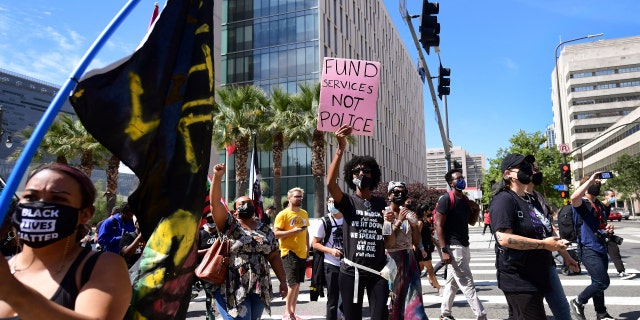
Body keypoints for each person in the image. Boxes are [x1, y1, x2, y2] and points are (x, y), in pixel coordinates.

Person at [0, 163, 131, 319]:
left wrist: (15, 293)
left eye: (58, 198)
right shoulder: (6, 266)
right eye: (30, 197)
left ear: (86, 214)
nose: (40, 205)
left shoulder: (102, 267)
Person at [490, 154, 567, 320]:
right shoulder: (504, 199)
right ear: (507, 174)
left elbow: (544, 230)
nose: (528, 169)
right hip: (519, 277)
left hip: (539, 270)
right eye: (522, 167)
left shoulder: (530, 199)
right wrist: (543, 245)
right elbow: (503, 238)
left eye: (528, 166)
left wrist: (561, 249)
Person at [209, 163, 288, 320]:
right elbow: (215, 204)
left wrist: (283, 281)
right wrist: (218, 178)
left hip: (259, 286)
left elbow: (274, 256)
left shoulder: (265, 229)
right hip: (232, 285)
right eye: (241, 204)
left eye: (249, 203)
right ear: (235, 209)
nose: (246, 206)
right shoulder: (228, 224)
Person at [326, 125, 389, 320]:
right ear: (351, 177)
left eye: (366, 171)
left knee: (380, 316)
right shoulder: (347, 202)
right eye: (356, 172)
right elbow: (330, 184)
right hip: (351, 272)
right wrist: (340, 150)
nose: (361, 174)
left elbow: (387, 239)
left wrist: (391, 223)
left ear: (374, 175)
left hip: (377, 272)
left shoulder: (380, 202)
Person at [524, 154, 578, 320]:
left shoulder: (539, 198)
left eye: (537, 168)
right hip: (524, 268)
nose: (537, 171)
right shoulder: (511, 199)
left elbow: (550, 231)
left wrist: (566, 257)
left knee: (562, 310)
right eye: (533, 168)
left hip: (547, 264)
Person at [436, 168, 487, 320]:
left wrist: (476, 209)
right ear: (451, 183)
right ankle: (481, 315)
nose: (461, 180)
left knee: (452, 284)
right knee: (467, 283)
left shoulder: (464, 199)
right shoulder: (446, 199)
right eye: (458, 178)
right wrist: (444, 249)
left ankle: (445, 314)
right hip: (453, 247)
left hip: (464, 246)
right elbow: (438, 225)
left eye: (462, 177)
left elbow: (471, 222)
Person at [570, 173, 619, 320]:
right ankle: (578, 301)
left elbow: (600, 225)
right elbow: (573, 198)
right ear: (585, 187)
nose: (596, 184)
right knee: (602, 281)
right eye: (594, 182)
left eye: (598, 182)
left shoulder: (599, 205)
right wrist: (589, 179)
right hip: (587, 247)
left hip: (600, 246)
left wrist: (608, 227)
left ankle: (601, 313)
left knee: (596, 281)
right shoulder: (582, 203)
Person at [382, 182, 428, 320]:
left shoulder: (408, 213)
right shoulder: (385, 214)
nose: (400, 195)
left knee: (415, 303)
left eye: (403, 192)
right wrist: (399, 221)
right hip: (393, 262)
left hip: (410, 260)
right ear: (390, 195)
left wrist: (414, 226)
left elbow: (416, 241)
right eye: (396, 192)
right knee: (394, 304)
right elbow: (388, 243)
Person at [274, 187, 309, 320]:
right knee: (292, 284)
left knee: (298, 284)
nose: (299, 199)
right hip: (289, 252)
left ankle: (292, 313)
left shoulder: (304, 213)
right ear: (289, 198)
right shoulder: (283, 215)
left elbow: (306, 231)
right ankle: (287, 313)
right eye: (296, 196)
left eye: (300, 197)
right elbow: (275, 234)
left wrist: (307, 246)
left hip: (302, 252)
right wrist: (291, 232)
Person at [310, 196, 344, 320]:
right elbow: (315, 243)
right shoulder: (324, 221)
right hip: (331, 263)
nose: (331, 204)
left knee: (348, 296)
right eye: (329, 202)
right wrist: (331, 251)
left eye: (334, 202)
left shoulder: (349, 220)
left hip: (348, 264)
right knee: (333, 298)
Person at [602, 189, 635, 280]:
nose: (613, 198)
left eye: (614, 195)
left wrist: (608, 227)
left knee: (614, 251)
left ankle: (621, 271)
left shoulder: (608, 206)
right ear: (605, 196)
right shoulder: (600, 206)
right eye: (611, 196)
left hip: (606, 232)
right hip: (599, 233)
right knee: (602, 254)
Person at [196, 213, 219, 320]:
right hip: (205, 270)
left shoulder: (221, 233)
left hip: (220, 270)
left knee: (218, 296)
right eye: (209, 220)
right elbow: (194, 252)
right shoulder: (200, 233)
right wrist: (209, 251)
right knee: (211, 295)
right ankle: (210, 317)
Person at [415, 204, 441, 295]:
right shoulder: (420, 222)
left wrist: (437, 243)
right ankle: (439, 288)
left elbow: (428, 236)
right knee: (430, 270)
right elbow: (417, 236)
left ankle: (416, 289)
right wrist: (420, 249)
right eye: (427, 210)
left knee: (420, 269)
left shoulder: (425, 222)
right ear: (424, 212)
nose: (429, 212)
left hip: (426, 248)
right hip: (422, 249)